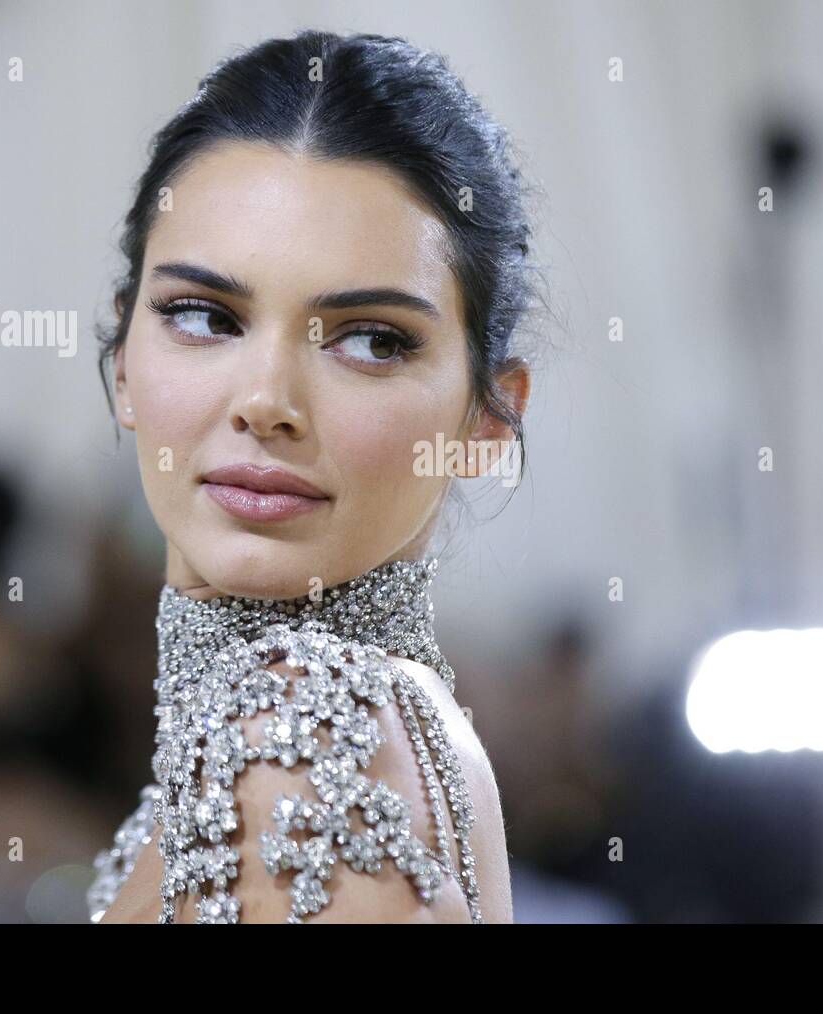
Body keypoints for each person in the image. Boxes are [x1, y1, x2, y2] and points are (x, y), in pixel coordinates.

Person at [84, 29, 536, 924]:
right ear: (124, 364)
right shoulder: (305, 735)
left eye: (372, 340)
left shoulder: (300, 741)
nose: (266, 402)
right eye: (204, 316)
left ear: (486, 419)